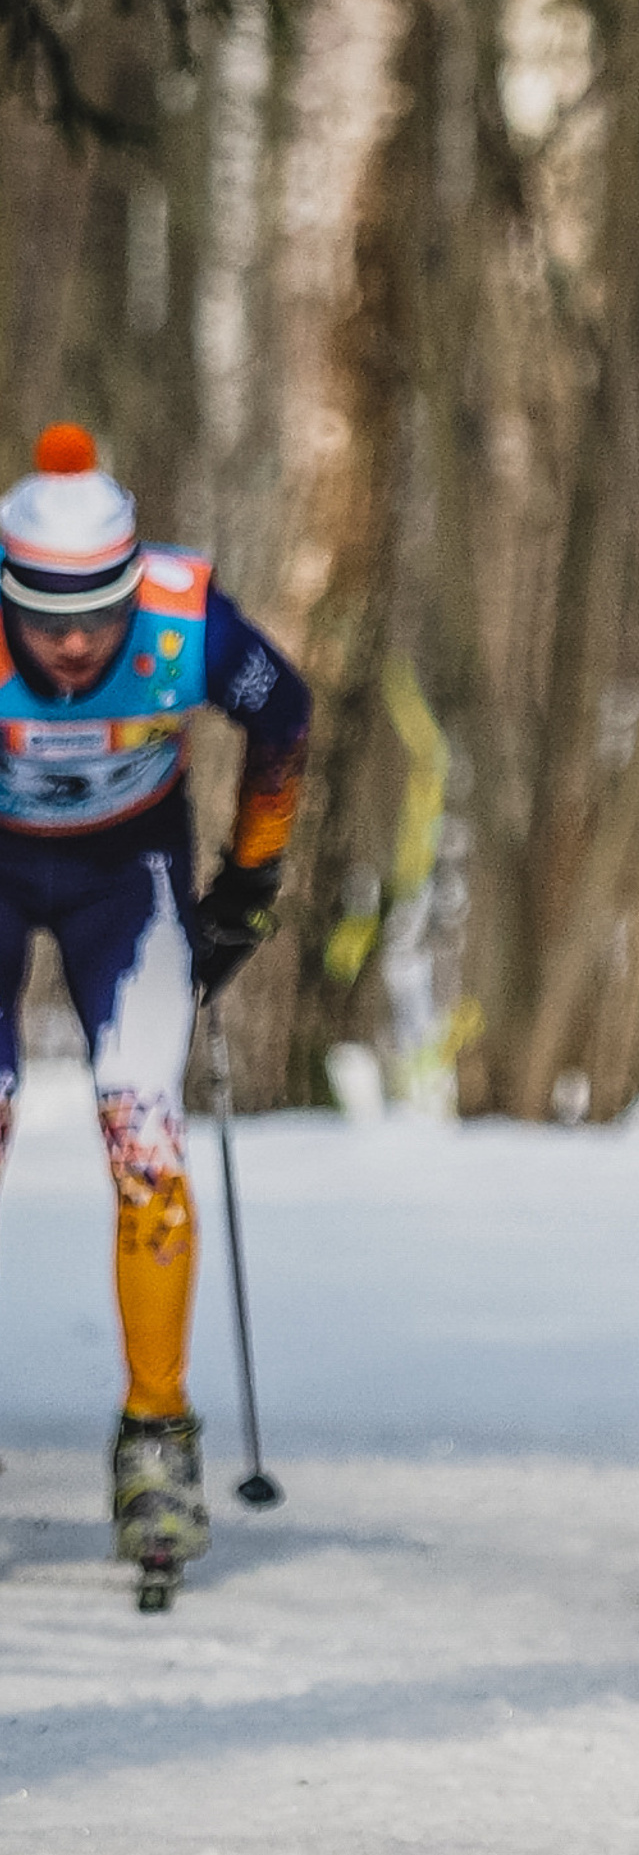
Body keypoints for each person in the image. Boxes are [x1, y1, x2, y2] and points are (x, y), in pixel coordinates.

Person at [0, 424, 309, 1600]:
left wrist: (251, 880)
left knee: (145, 1136)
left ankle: (157, 1439)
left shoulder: (186, 621)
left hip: (124, 878)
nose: (72, 645)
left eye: (94, 618)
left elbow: (285, 715)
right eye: (42, 620)